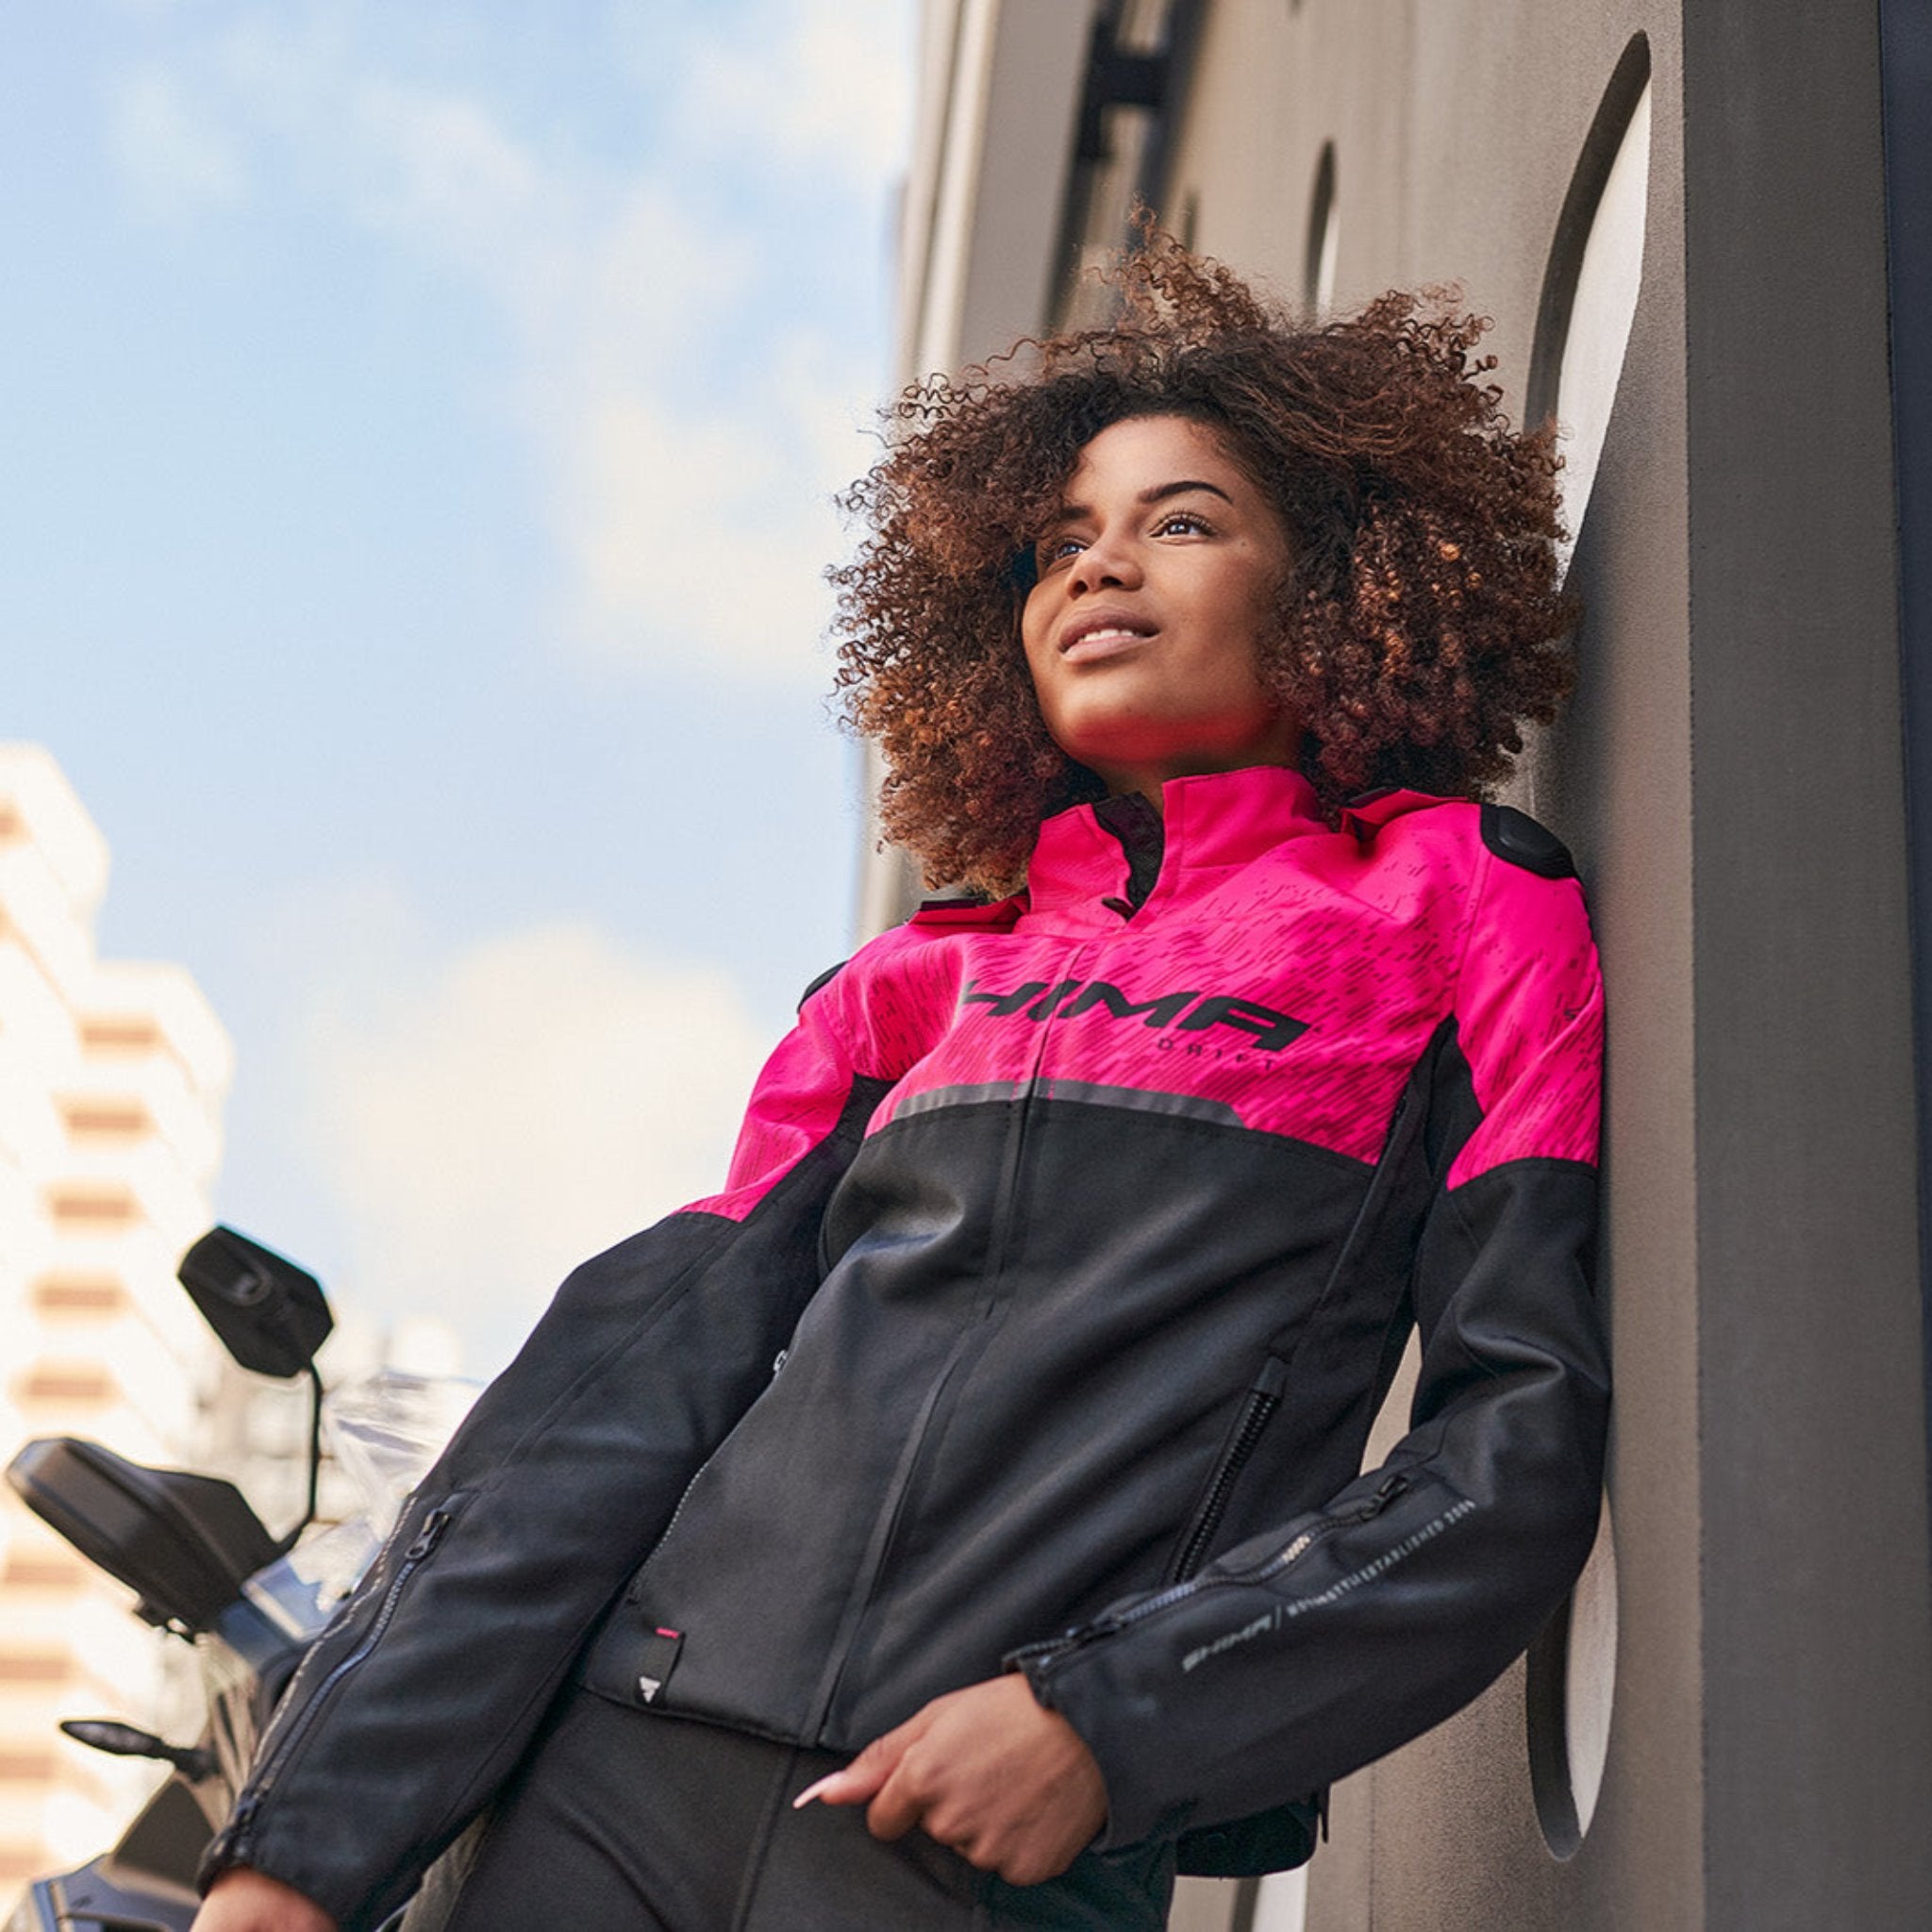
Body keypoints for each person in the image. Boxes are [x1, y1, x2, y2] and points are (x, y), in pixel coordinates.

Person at [192, 240, 1607, 1932]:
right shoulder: (907, 986)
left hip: (988, 1838)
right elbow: (584, 1437)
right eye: (1059, 542)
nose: (1098, 569)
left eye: (1179, 520)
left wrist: (1110, 1719)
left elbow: (1511, 1450)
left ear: (1328, 586)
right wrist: (296, 1856)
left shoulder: (1463, 905)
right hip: (604, 1796)